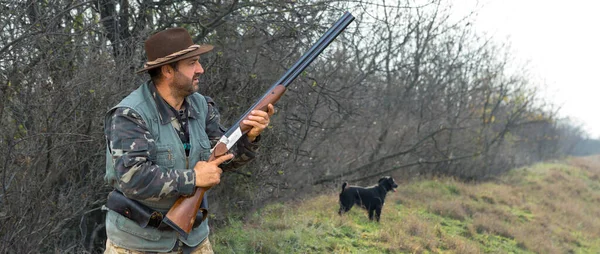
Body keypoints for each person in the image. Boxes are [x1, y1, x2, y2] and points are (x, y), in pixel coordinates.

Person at [102, 27, 274, 253]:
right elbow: (133, 179)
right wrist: (194, 178)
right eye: (192, 63)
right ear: (167, 71)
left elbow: (223, 158)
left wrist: (250, 136)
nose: (201, 69)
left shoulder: (201, 106)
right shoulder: (130, 114)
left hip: (194, 240)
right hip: (137, 244)